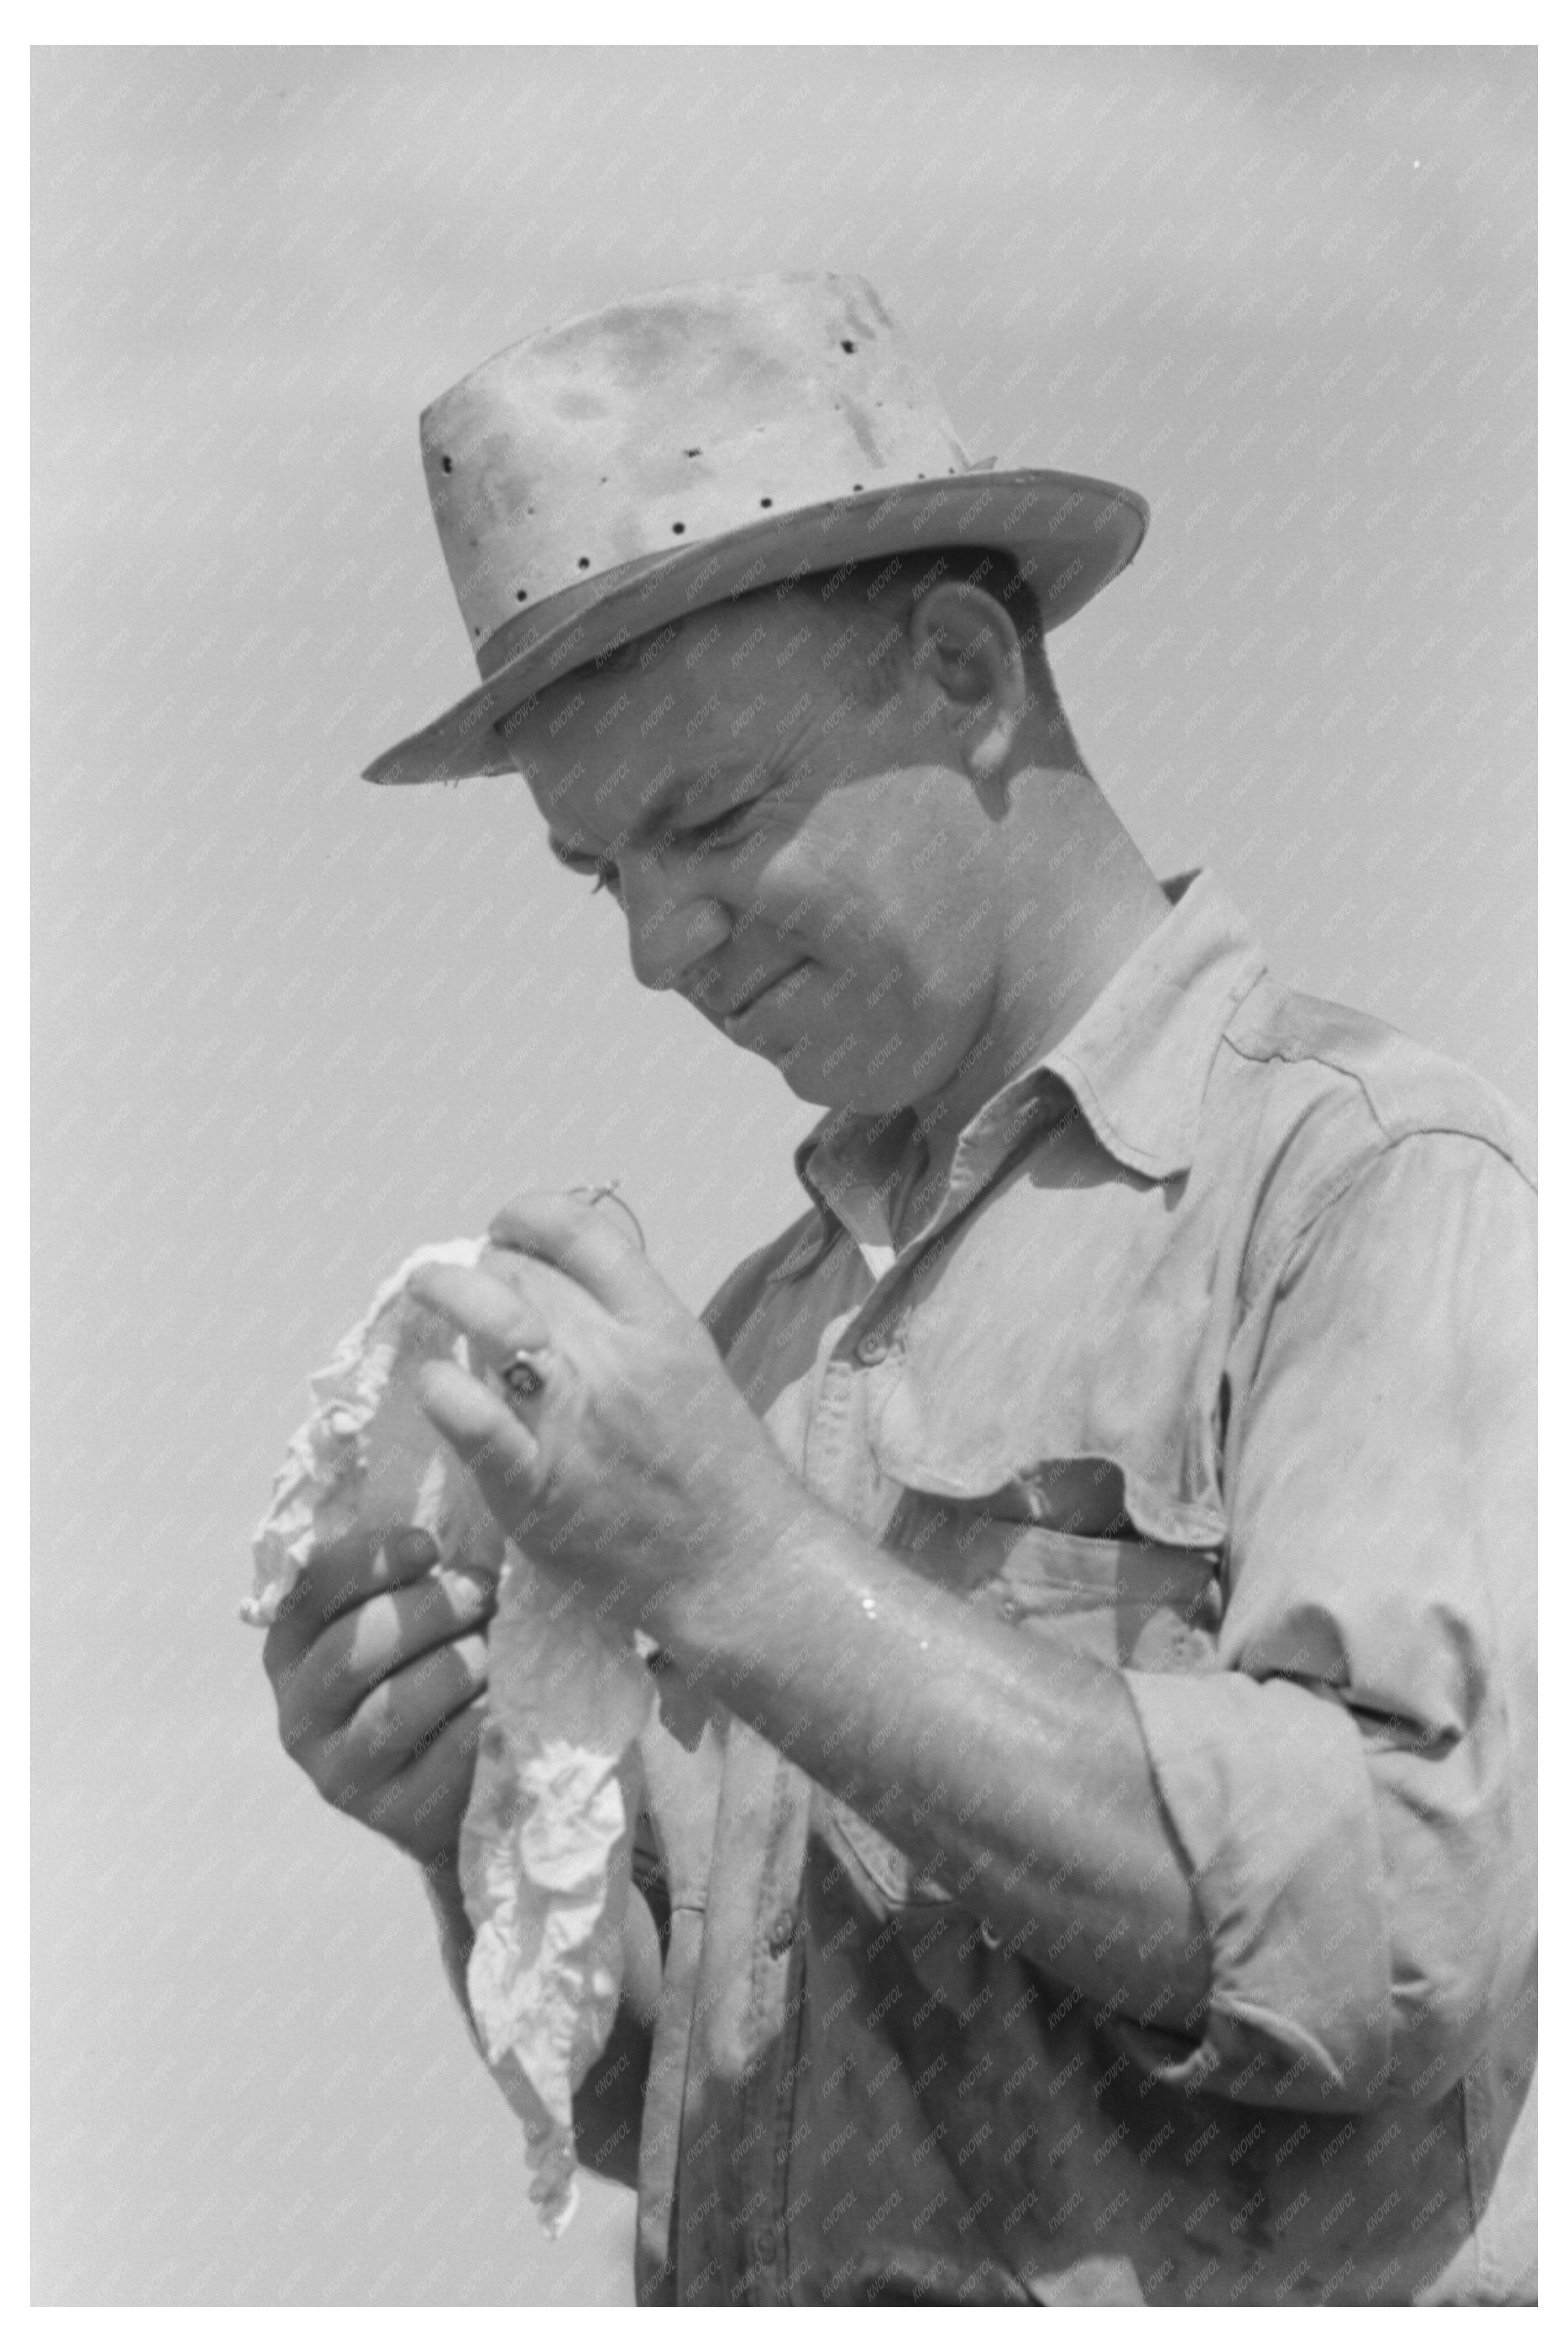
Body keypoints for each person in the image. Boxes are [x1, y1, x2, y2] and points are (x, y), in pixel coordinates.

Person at [261, 274, 1535, 2305]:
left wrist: (746, 1572)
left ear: (964, 664)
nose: (659, 946)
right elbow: (695, 2098)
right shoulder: (758, 1334)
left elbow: (1409, 1916)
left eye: (711, 820)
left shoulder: (1351, 1172)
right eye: (601, 874)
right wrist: (461, 1825)